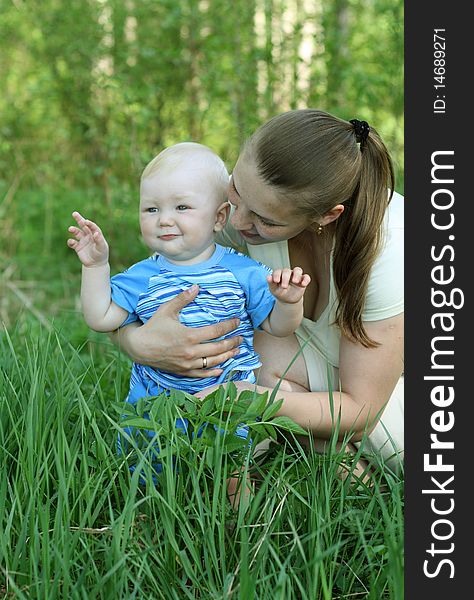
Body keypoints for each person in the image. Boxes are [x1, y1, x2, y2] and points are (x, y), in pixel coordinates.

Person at [110, 110, 404, 475]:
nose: (236, 222)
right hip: (308, 360)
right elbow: (152, 285)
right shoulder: (254, 195)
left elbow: (361, 411)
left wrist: (249, 398)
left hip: (389, 388)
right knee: (238, 346)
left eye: (266, 221)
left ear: (326, 217)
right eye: (235, 194)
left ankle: (333, 457)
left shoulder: (388, 248)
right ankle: (313, 442)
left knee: (401, 453)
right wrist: (136, 343)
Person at [66, 142, 311, 491]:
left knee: (231, 473)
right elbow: (101, 317)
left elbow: (279, 327)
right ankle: (146, 522)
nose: (164, 219)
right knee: (148, 473)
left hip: (228, 402)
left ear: (219, 218)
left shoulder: (245, 271)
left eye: (182, 207)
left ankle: (240, 530)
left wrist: (289, 302)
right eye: (151, 209)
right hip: (156, 406)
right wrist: (95, 266)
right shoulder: (141, 277)